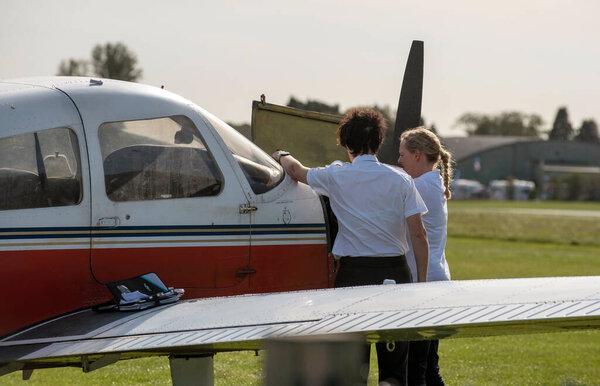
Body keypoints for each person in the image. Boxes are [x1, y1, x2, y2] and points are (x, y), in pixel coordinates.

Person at [272, 108, 429, 386]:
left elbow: (296, 171)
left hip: (353, 277)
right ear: (379, 142)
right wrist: (422, 283)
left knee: (352, 369)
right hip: (395, 275)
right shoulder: (401, 179)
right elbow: (418, 234)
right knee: (394, 372)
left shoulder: (336, 176)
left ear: (347, 144)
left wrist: (281, 154)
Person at [398, 127, 452, 386]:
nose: (398, 161)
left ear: (417, 155)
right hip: (436, 279)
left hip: (424, 282)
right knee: (429, 368)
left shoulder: (417, 186)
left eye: (403, 155)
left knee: (416, 370)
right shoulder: (433, 183)